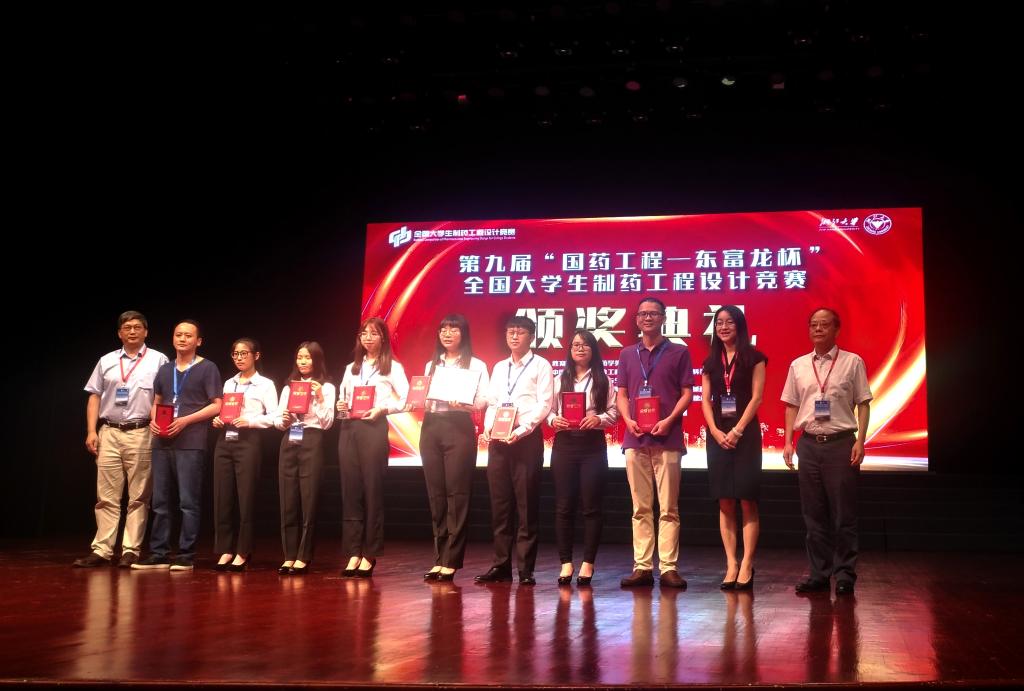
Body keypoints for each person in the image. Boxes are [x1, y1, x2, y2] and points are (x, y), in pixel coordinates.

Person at [782, 307, 872, 596]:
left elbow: (863, 403)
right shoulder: (798, 365)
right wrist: (788, 441)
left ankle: (844, 574)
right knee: (813, 514)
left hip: (841, 443)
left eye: (824, 324)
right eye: (813, 325)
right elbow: (791, 405)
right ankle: (819, 574)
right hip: (808, 444)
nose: (818, 329)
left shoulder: (852, 362)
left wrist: (861, 441)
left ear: (836, 329)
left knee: (844, 514)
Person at [76, 311, 169, 568]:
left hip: (141, 431)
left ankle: (131, 549)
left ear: (146, 332)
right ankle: (102, 550)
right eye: (127, 327)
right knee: (106, 496)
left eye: (137, 327)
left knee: (139, 496)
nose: (132, 331)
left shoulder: (159, 359)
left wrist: (159, 426)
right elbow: (94, 395)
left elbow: (164, 396)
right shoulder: (106, 360)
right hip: (109, 431)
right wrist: (91, 431)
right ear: (119, 333)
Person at [616, 297, 694, 588]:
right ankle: (643, 566)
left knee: (669, 507)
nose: (647, 318)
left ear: (663, 318)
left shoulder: (679, 352)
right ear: (637, 319)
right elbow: (622, 393)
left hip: (668, 437)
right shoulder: (627, 354)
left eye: (653, 313)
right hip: (635, 438)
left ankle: (669, 567)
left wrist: (670, 420)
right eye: (643, 314)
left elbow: (687, 393)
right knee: (640, 507)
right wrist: (628, 420)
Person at [133, 320, 222, 571]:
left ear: (198, 341)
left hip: (190, 441)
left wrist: (185, 421)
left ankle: (186, 554)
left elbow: (217, 405)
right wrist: (153, 420)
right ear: (173, 338)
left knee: (188, 500)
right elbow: (158, 400)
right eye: (178, 335)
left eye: (188, 335)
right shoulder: (165, 369)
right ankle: (159, 553)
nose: (182, 339)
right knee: (160, 500)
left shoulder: (208, 368)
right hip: (162, 440)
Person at [475, 315, 554, 586]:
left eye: (520, 332)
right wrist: (488, 428)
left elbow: (544, 404)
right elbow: (493, 403)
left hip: (525, 440)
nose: (514, 336)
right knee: (500, 505)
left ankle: (526, 569)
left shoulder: (541, 365)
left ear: (531, 336)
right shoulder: (499, 367)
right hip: (499, 441)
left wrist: (521, 430)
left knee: (526, 505)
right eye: (510, 331)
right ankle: (500, 565)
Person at [417, 314, 489, 582]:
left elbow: (484, 399)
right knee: (436, 494)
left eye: (453, 329)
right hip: (431, 426)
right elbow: (423, 395)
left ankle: (452, 559)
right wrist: (420, 399)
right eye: (443, 329)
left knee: (457, 494)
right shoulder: (432, 364)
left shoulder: (476, 365)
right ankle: (439, 558)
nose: (447, 334)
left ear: (464, 334)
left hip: (459, 426)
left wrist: (466, 403)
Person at [700, 305, 767, 590]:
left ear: (739, 325)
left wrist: (737, 430)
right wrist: (715, 431)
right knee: (725, 500)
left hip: (745, 434)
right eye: (719, 322)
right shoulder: (710, 362)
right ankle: (731, 563)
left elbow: (757, 398)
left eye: (729, 322)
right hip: (718, 435)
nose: (723, 327)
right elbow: (705, 400)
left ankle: (747, 562)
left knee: (747, 500)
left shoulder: (755, 357)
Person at [336, 317, 408, 577]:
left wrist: (382, 409)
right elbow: (343, 398)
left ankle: (370, 552)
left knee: (372, 491)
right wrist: (341, 406)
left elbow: (407, 399)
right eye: (364, 333)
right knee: (350, 491)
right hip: (349, 429)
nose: (367, 338)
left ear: (383, 338)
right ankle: (353, 552)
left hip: (374, 428)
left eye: (373, 334)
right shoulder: (351, 368)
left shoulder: (392, 368)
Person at [547, 328, 617, 586]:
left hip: (592, 446)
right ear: (569, 349)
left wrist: (598, 419)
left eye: (585, 345)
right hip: (564, 445)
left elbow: (614, 412)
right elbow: (548, 410)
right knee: (564, 506)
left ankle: (588, 563)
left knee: (591, 506)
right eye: (575, 344)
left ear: (593, 350)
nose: (579, 348)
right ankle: (566, 562)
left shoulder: (603, 380)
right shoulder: (558, 379)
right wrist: (554, 420)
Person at [210, 338, 279, 571]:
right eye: (235, 354)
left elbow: (274, 416)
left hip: (248, 441)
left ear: (256, 356)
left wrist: (250, 421)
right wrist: (219, 420)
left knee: (246, 497)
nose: (239, 358)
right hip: (224, 440)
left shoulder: (265, 384)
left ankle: (243, 550)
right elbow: (224, 410)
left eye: (244, 353)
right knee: (222, 496)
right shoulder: (229, 383)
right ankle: (225, 549)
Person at [274, 341, 336, 575]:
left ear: (317, 360)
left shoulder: (327, 387)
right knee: (287, 500)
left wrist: (318, 397)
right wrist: (284, 420)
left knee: (309, 501)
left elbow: (327, 423)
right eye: (300, 357)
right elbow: (278, 421)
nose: (303, 361)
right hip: (290, 438)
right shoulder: (289, 387)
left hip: (312, 439)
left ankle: (304, 556)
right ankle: (289, 555)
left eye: (308, 357)